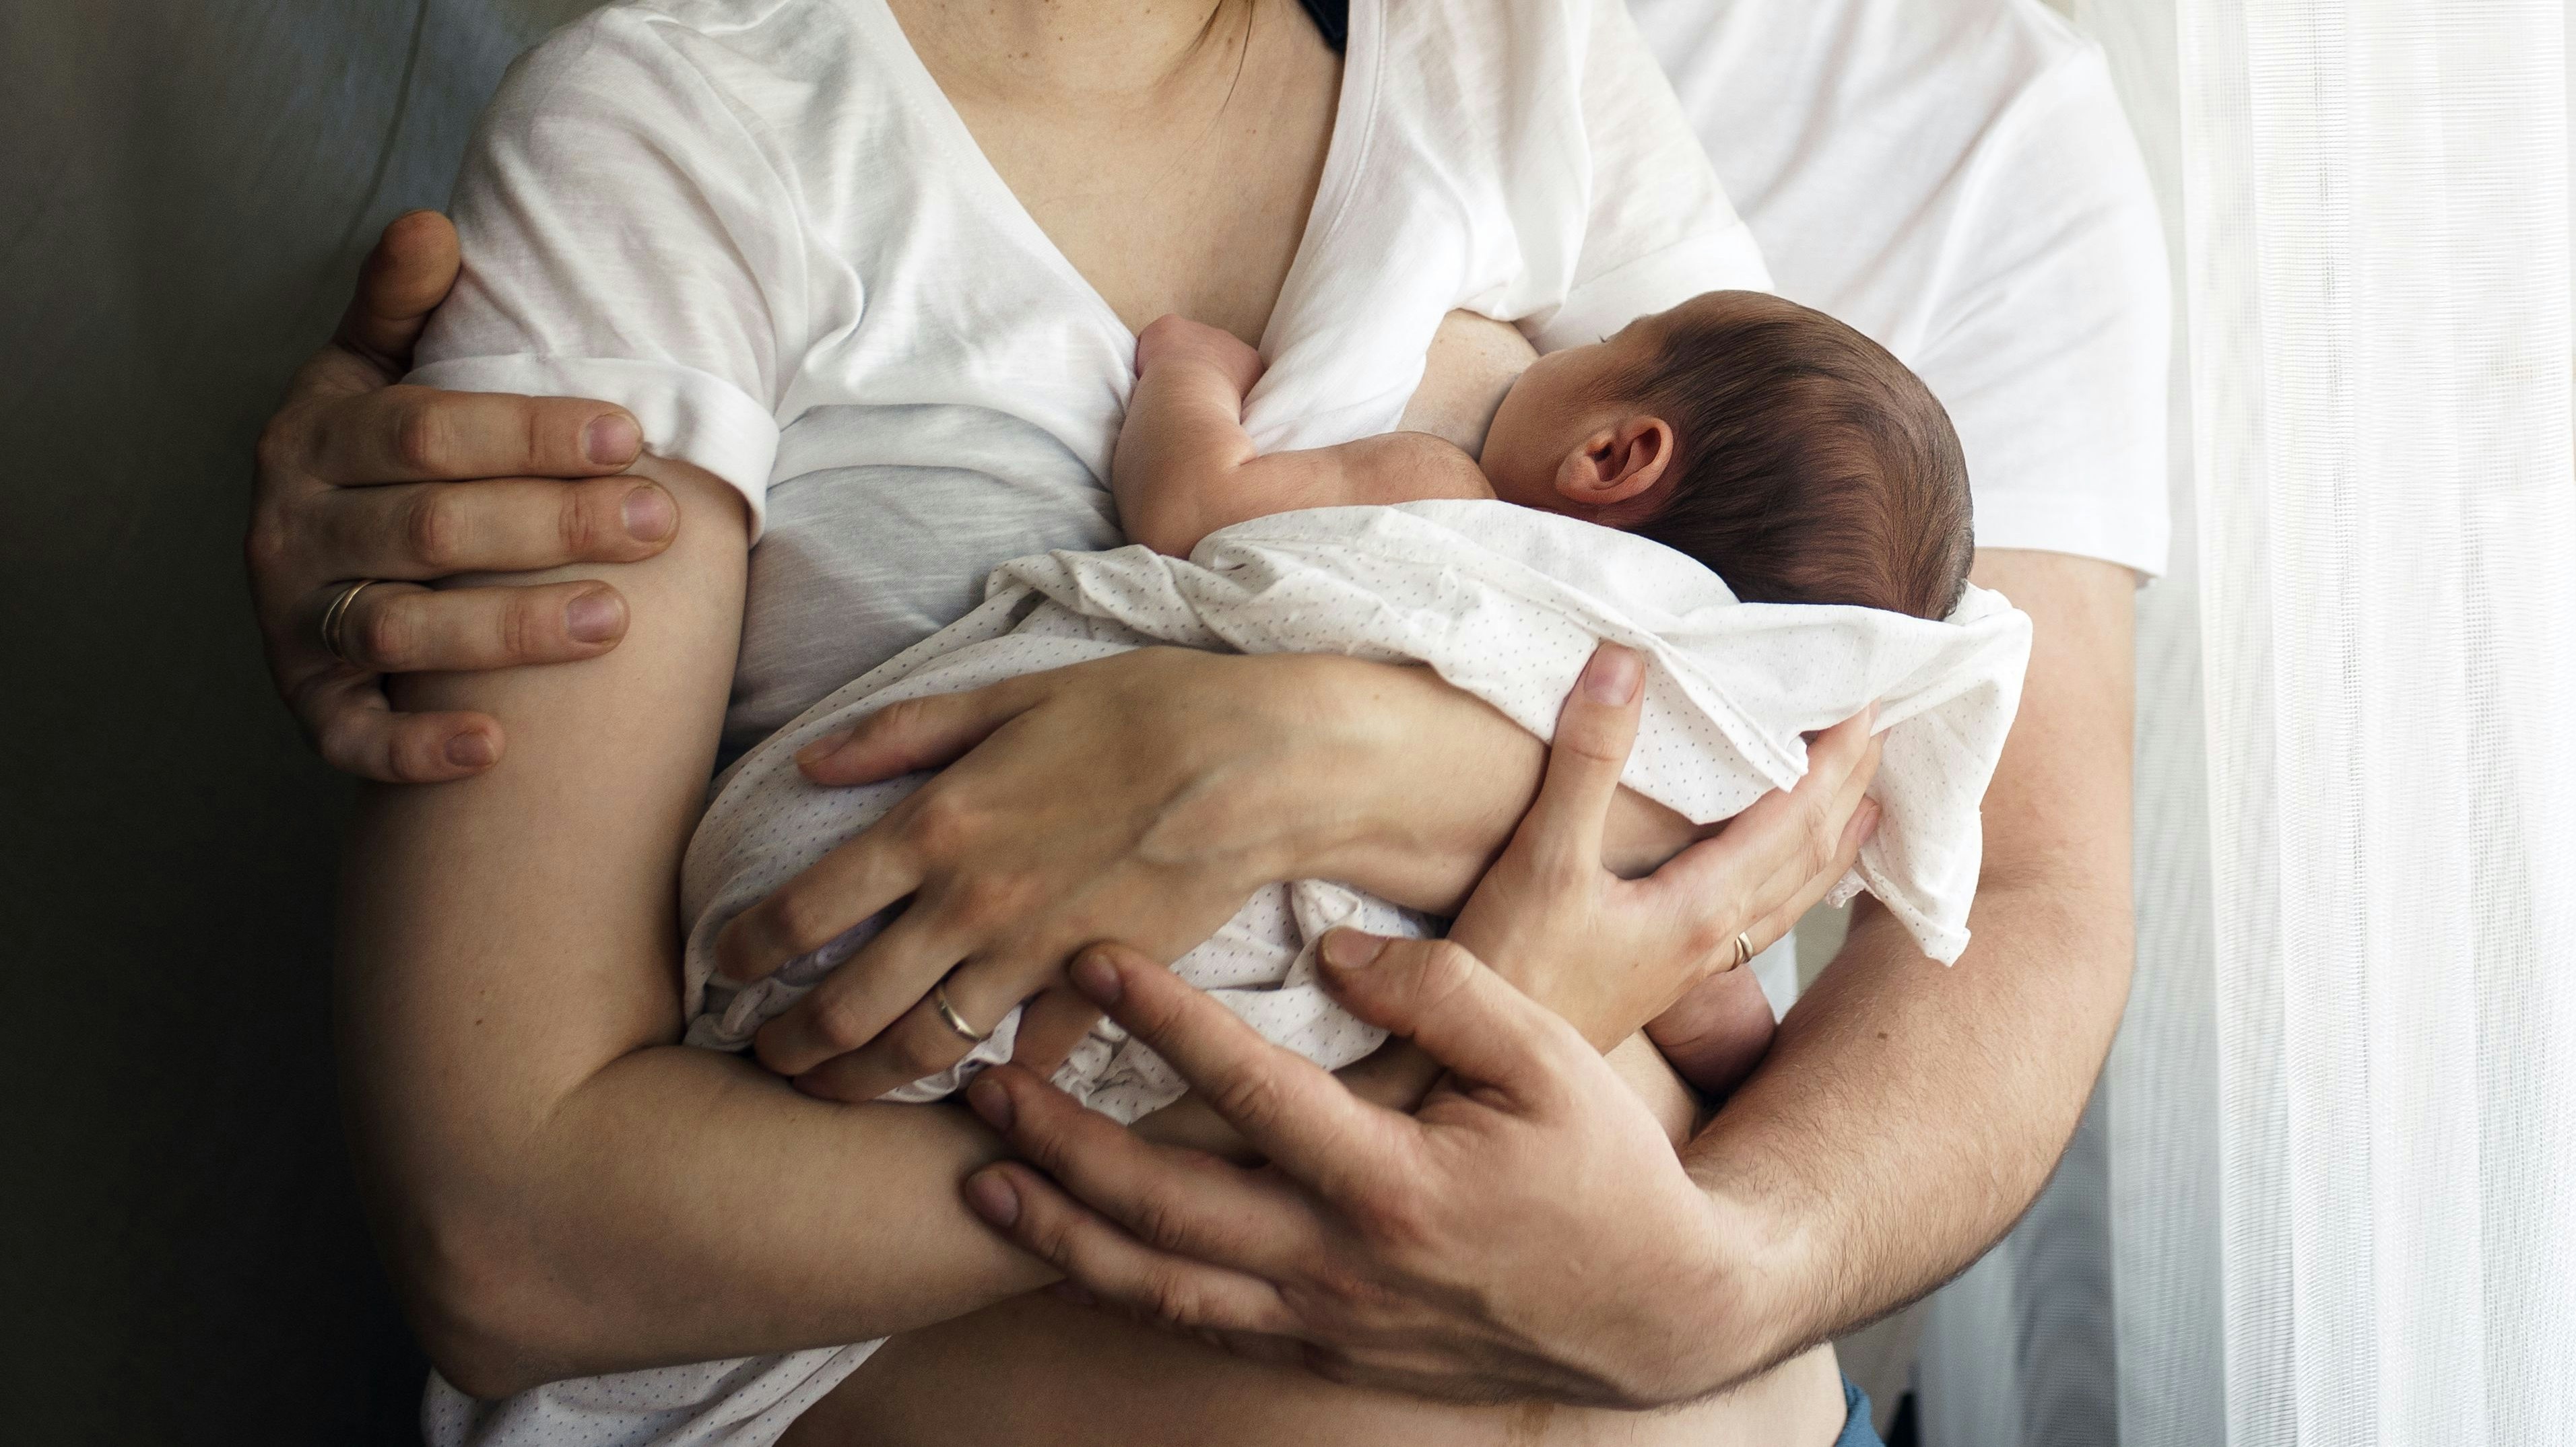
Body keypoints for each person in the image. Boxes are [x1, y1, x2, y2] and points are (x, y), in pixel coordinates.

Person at [244, 0, 2160, 1442]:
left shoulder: (1524, 65)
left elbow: (1824, 752)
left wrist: (1330, 757)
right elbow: (508, 1226)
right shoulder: (688, 131)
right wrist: (1318, 1149)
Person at [1117, 294, 1971, 625]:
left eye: (1611, 338)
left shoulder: (1440, 492)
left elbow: (1187, 509)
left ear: (1610, 457)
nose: (1546, 342)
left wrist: (1192, 371)